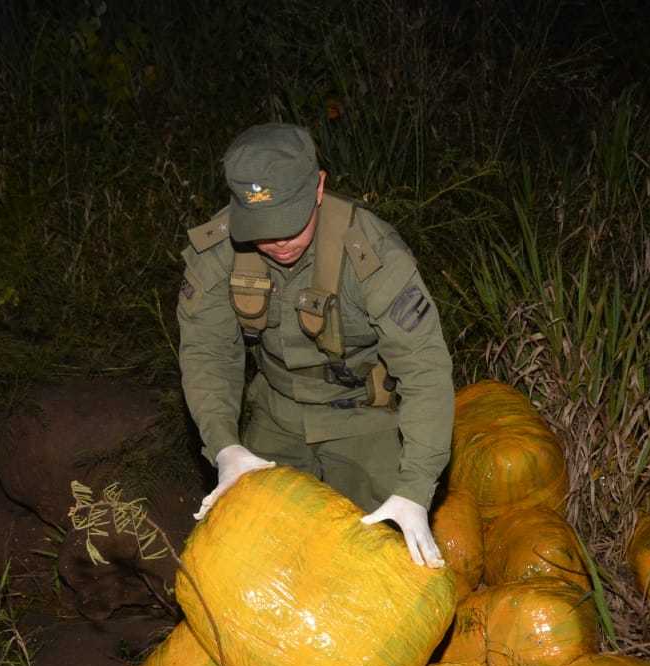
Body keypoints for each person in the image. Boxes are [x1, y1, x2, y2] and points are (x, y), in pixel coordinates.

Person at [177, 122, 454, 568]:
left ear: (319, 187)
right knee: (256, 558)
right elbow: (207, 355)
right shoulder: (218, 251)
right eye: (262, 226)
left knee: (379, 566)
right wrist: (225, 447)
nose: (278, 240)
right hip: (275, 413)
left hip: (363, 418)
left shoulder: (372, 255)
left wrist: (415, 489)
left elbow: (425, 371)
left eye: (289, 220)